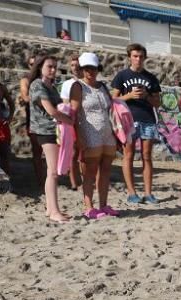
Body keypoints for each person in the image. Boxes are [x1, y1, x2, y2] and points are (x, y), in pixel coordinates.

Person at [111, 43, 162, 205]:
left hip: (147, 119)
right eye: (135, 56)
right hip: (128, 120)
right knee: (129, 155)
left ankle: (148, 193)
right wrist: (130, 95)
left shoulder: (151, 78)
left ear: (144, 58)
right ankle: (132, 193)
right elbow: (113, 99)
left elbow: (157, 103)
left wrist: (146, 96)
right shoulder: (122, 76)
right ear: (129, 57)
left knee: (147, 156)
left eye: (140, 56)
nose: (138, 59)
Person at [69, 52, 118, 220]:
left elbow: (111, 108)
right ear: (82, 69)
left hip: (106, 132)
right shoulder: (78, 86)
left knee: (105, 170)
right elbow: (73, 113)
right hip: (88, 131)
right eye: (87, 68)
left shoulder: (103, 86)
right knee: (89, 172)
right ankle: (89, 206)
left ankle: (103, 205)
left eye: (93, 68)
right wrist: (78, 137)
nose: (90, 71)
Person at [28, 55, 74, 223]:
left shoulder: (51, 86)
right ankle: (54, 211)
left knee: (51, 171)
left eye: (55, 66)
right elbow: (52, 111)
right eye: (50, 66)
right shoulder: (37, 85)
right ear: (40, 67)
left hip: (53, 130)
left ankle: (50, 208)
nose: (53, 70)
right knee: (53, 172)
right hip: (45, 130)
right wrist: (71, 121)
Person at [19, 51, 45, 186]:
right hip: (34, 119)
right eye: (31, 65)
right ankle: (40, 180)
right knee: (37, 150)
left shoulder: (46, 79)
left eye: (37, 65)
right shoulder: (26, 80)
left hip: (47, 118)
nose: (34, 67)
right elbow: (24, 96)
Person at [59, 54, 83, 190]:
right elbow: (65, 104)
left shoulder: (86, 82)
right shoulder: (67, 84)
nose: (75, 68)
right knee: (73, 153)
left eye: (77, 65)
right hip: (73, 120)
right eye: (73, 65)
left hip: (87, 120)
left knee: (86, 152)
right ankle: (74, 182)